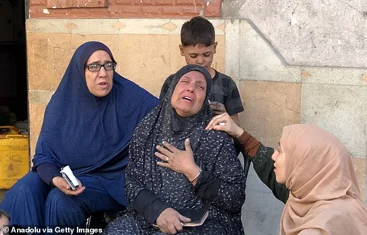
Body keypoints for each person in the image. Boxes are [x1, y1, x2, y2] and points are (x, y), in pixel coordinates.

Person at [0, 41, 158, 231]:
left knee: (59, 200)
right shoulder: (61, 104)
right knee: (25, 188)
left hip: (111, 181)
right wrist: (55, 179)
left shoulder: (130, 97)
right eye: (94, 67)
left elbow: (167, 112)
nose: (103, 73)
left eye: (109, 65)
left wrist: (203, 116)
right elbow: (43, 156)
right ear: (79, 71)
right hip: (68, 175)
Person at [104, 64, 246, 235]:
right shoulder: (148, 129)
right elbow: (132, 182)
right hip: (151, 217)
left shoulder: (216, 137)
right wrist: (158, 211)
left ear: (205, 100)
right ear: (172, 89)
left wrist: (194, 173)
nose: (191, 88)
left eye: (200, 86)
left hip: (203, 223)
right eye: (185, 81)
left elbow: (235, 197)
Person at [207, 114, 367, 235]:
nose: (274, 156)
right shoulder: (327, 197)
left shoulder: (320, 227)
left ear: (303, 164)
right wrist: (240, 134)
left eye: (280, 151)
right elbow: (272, 173)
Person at [159, 16, 244, 126]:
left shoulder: (226, 84)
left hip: (216, 142)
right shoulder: (172, 82)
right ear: (182, 50)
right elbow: (161, 118)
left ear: (214, 48)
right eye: (193, 55)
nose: (200, 61)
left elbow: (237, 128)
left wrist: (224, 116)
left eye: (206, 54)